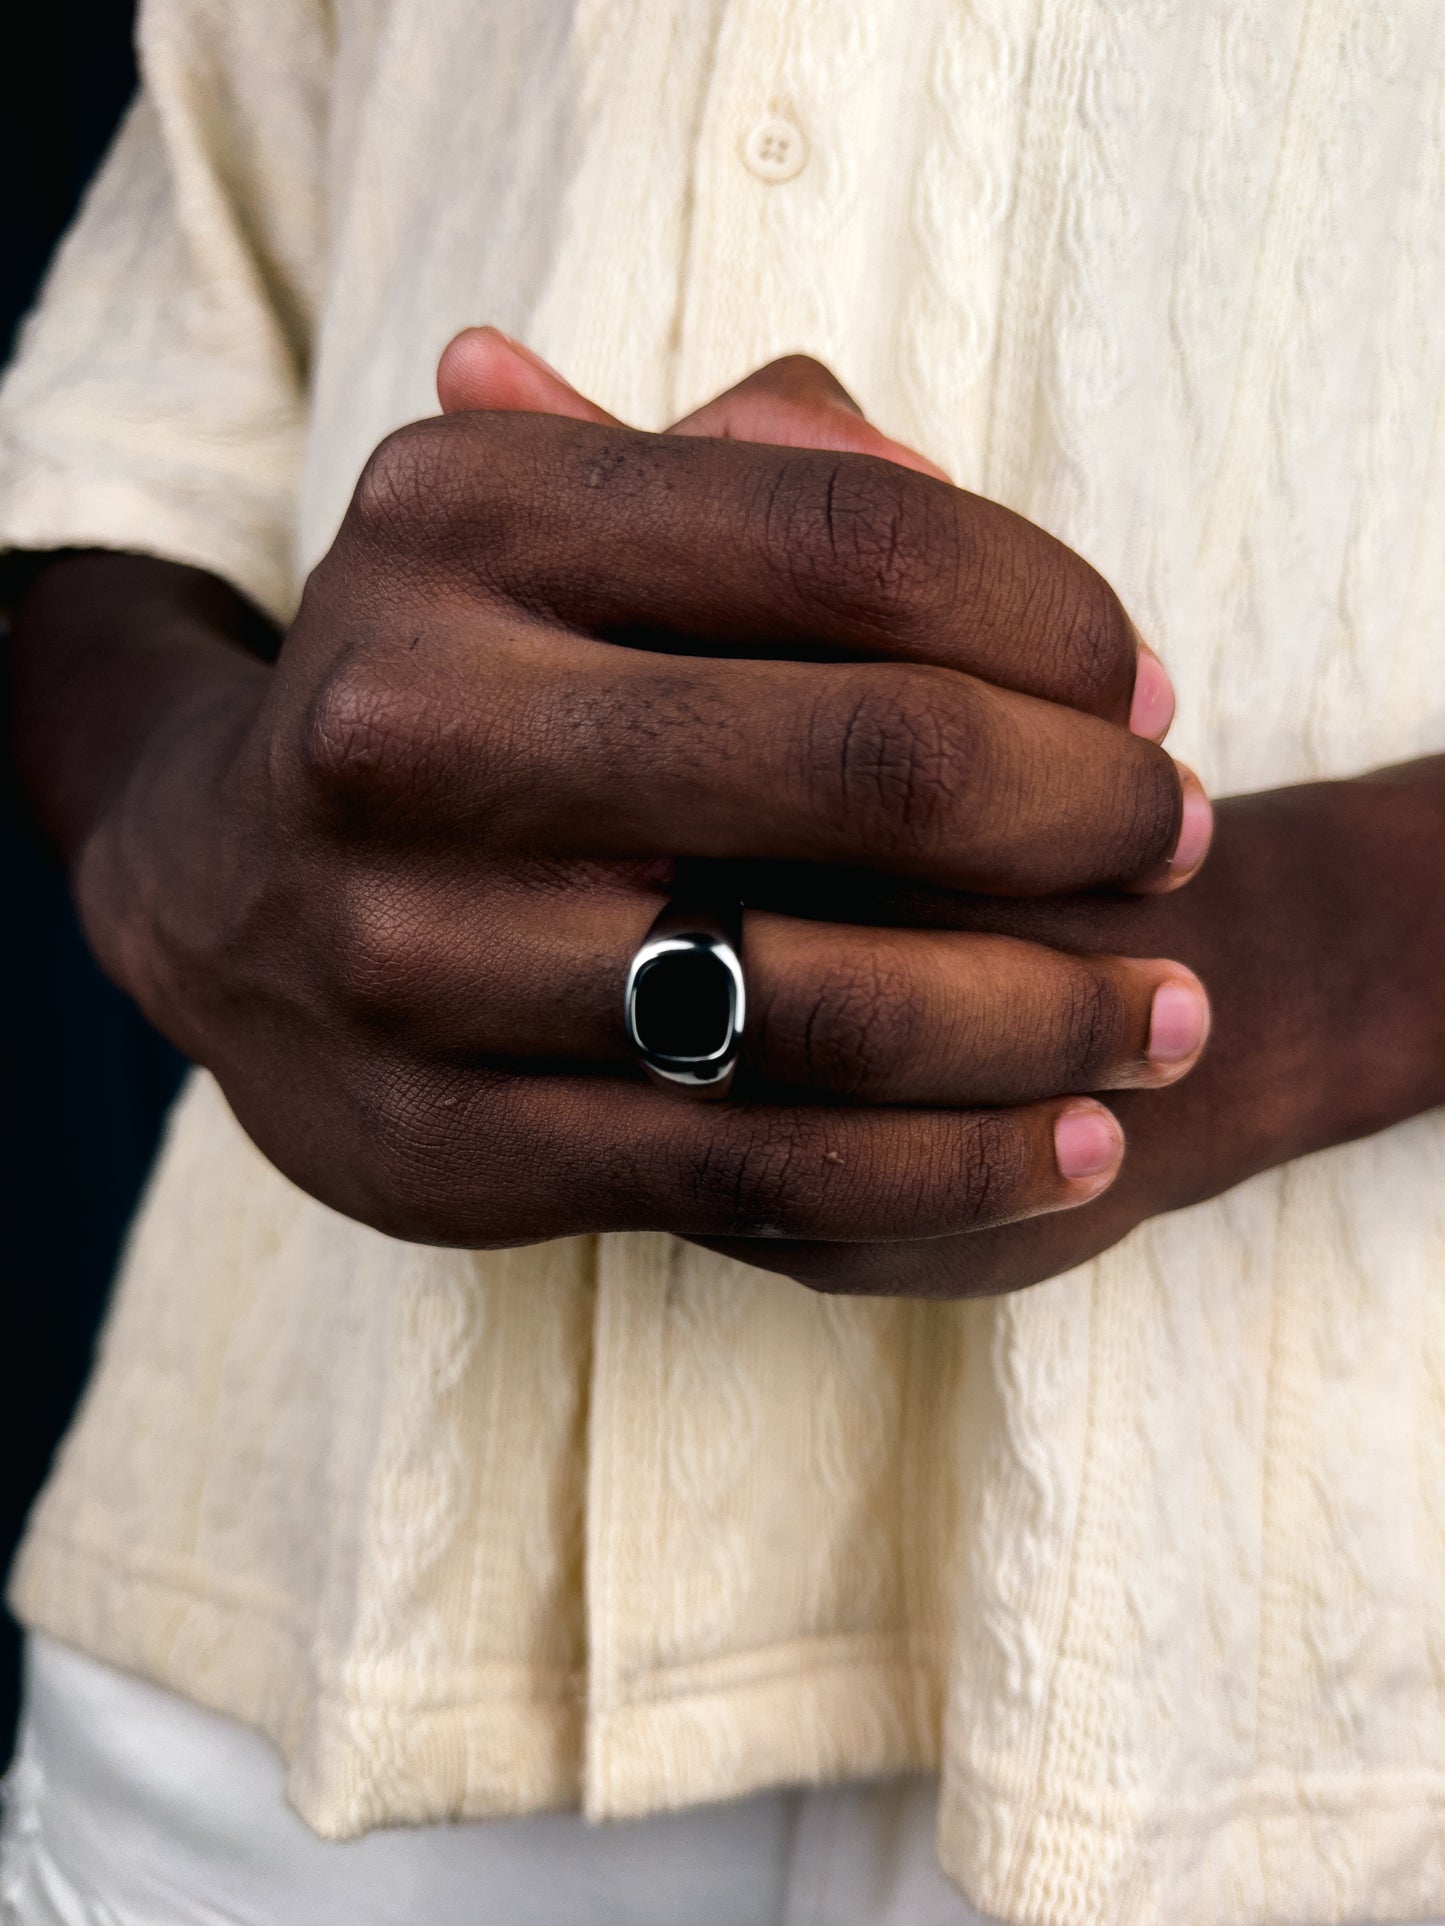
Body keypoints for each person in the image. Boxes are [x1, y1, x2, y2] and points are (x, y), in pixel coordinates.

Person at [1, 2, 1441, 1922]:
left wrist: (1302, 957)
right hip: (308, 1598)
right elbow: (108, 468)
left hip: (1294, 1690)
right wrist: (201, 839)